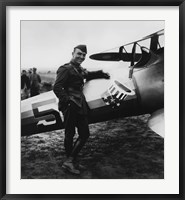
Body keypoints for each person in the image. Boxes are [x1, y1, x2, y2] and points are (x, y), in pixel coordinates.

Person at [53, 45, 110, 174]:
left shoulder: (79, 69)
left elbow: (88, 74)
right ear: (72, 53)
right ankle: (70, 162)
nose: (81, 57)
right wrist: (67, 101)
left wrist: (102, 73)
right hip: (70, 106)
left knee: (85, 134)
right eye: (79, 54)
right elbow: (57, 87)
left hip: (80, 105)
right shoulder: (65, 69)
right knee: (70, 134)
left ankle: (70, 160)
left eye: (84, 55)